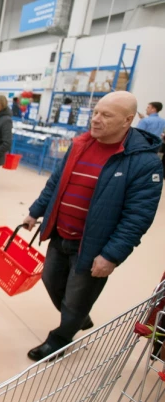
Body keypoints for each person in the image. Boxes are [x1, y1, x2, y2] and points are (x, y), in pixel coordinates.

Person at [23, 91, 163, 362]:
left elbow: (138, 216)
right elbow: (56, 183)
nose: (96, 119)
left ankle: (60, 339)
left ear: (127, 120)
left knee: (76, 298)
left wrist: (111, 255)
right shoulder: (80, 144)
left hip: (94, 244)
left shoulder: (143, 162)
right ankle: (77, 316)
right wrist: (35, 212)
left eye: (105, 115)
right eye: (95, 112)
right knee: (50, 280)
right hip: (60, 232)